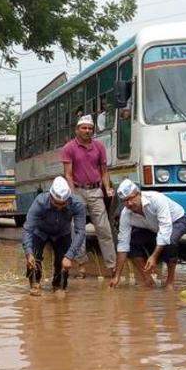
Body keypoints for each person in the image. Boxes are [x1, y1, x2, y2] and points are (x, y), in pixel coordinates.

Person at [109, 179, 186, 289]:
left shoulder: (156, 199)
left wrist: (154, 257)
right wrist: (117, 276)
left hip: (176, 220)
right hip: (152, 227)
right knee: (132, 243)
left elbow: (165, 231)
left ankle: (170, 281)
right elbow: (123, 245)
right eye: (125, 201)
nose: (129, 203)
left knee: (170, 242)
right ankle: (147, 279)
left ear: (138, 194)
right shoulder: (125, 214)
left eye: (131, 198)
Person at [62, 114, 115, 278]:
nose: (87, 131)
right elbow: (68, 174)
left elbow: (104, 171)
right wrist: (71, 194)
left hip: (96, 191)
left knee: (104, 229)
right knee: (78, 230)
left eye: (90, 128)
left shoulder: (99, 147)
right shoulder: (69, 148)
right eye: (84, 128)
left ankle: (112, 267)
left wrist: (107, 188)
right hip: (77, 191)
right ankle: (81, 266)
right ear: (77, 130)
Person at [22, 176, 86, 296]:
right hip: (40, 232)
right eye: (56, 203)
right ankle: (34, 284)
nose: (59, 207)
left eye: (63, 204)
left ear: (68, 199)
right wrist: (28, 252)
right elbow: (28, 229)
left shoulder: (77, 204)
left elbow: (80, 232)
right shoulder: (40, 202)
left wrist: (70, 256)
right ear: (50, 196)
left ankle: (58, 286)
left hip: (63, 233)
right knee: (34, 259)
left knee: (62, 264)